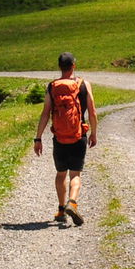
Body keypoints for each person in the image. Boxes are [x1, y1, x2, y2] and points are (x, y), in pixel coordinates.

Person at [33, 51, 96, 225]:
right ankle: (72, 203)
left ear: (60, 67)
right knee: (75, 174)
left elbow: (45, 113)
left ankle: (61, 210)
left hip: (59, 137)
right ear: (73, 65)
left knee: (61, 174)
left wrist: (38, 139)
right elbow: (92, 111)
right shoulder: (84, 85)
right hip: (78, 136)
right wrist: (94, 133)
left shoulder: (52, 86)